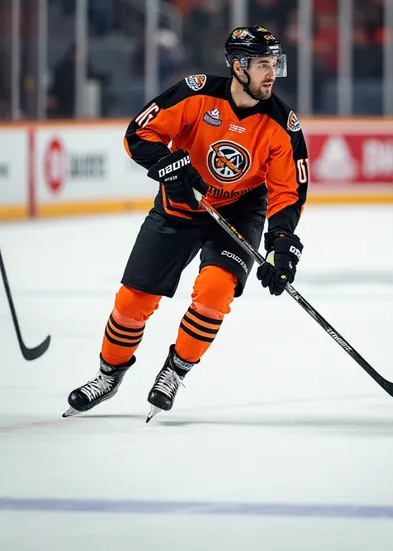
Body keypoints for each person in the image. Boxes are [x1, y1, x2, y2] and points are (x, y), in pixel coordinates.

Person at [63, 26, 308, 421]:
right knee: (132, 302)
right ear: (237, 66)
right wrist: (168, 167)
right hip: (179, 207)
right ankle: (109, 374)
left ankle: (175, 372)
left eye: (274, 64)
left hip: (237, 213)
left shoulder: (282, 124)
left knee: (214, 292)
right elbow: (138, 134)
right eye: (263, 64)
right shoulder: (196, 94)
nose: (271, 73)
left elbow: (288, 191)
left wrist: (281, 245)